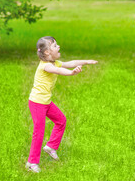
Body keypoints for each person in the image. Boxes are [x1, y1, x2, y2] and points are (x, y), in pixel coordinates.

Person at [25, 36, 98, 173]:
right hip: (37, 103)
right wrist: (71, 73)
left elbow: (71, 62)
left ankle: (51, 147)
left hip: (46, 102)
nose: (58, 47)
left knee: (61, 120)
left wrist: (86, 61)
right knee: (39, 132)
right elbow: (59, 71)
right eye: (54, 46)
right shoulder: (46, 66)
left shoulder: (55, 62)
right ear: (47, 53)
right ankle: (31, 163)